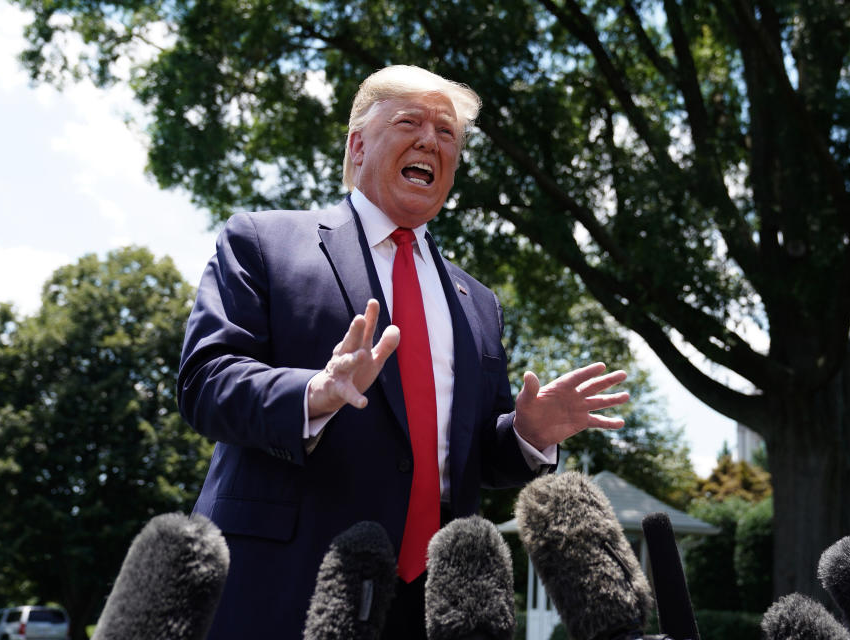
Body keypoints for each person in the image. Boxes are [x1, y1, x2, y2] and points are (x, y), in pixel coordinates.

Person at [177, 65, 630, 639]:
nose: (429, 142)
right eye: (410, 122)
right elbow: (204, 382)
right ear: (359, 144)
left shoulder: (478, 302)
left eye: (447, 135)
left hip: (431, 609)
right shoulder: (261, 242)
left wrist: (526, 433)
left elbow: (468, 456)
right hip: (286, 589)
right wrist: (314, 393)